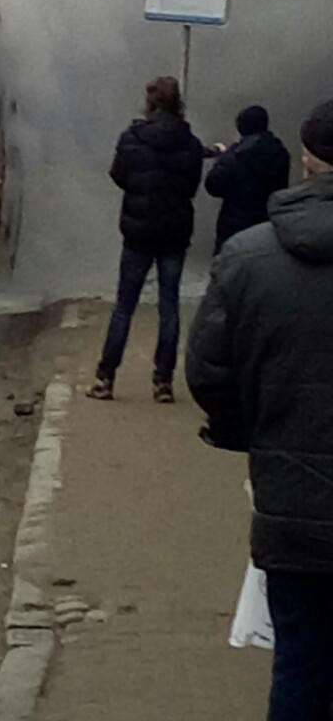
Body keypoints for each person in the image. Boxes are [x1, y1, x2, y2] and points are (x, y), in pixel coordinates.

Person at [187, 99, 333, 721]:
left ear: (307, 162)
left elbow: (208, 371)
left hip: (291, 506)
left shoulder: (248, 257)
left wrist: (250, 433)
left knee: (298, 662)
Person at [88, 76, 204, 403]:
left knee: (125, 305)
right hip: (174, 233)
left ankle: (105, 379)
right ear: (177, 102)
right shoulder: (191, 143)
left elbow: (118, 175)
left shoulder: (131, 138)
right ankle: (163, 383)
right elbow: (191, 187)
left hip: (138, 232)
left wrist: (141, 189)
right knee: (169, 306)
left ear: (150, 103)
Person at [204, 105, 290, 253]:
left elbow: (213, 185)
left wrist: (224, 157)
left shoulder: (236, 157)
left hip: (234, 226)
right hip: (267, 225)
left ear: (240, 127)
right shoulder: (280, 153)